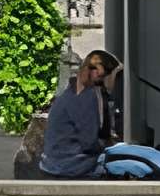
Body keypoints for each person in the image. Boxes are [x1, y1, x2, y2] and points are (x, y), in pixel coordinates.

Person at [38, 51, 119, 179]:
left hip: (52, 163)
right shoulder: (87, 96)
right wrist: (107, 147)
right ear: (100, 74)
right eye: (116, 77)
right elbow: (89, 143)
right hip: (70, 166)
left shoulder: (71, 91)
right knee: (121, 165)